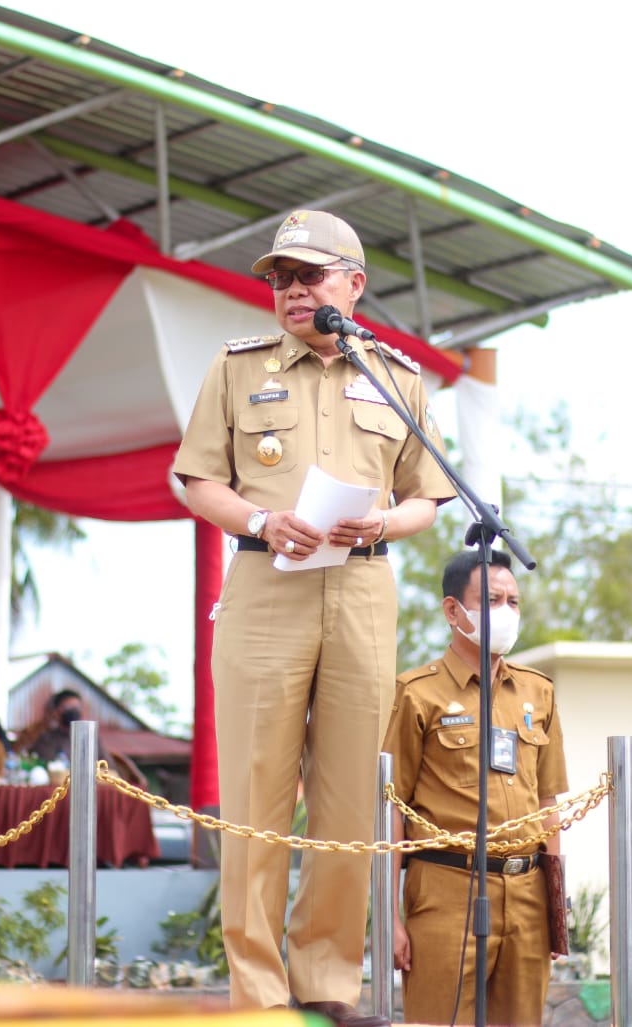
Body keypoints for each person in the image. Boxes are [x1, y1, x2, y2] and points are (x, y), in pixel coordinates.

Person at [172, 209, 452, 1022]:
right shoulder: (236, 368)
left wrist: (386, 523)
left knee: (346, 802)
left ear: (352, 287)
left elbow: (428, 495)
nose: (291, 290)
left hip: (363, 589)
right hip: (268, 585)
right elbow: (197, 480)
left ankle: (326, 985)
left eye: (309, 275)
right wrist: (261, 520)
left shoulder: (398, 377)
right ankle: (258, 997)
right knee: (257, 795)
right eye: (279, 278)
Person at [385, 550, 568, 1027]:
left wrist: (554, 908)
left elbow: (548, 803)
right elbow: (391, 809)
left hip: (526, 891)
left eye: (513, 601)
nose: (505, 611)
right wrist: (386, 917)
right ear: (452, 611)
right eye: (490, 599)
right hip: (446, 890)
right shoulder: (416, 693)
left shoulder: (538, 692)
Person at [16, 688, 144, 788]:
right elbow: (41, 769)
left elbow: (109, 766)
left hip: (91, 788)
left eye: (76, 708)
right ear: (56, 712)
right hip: (59, 792)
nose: (73, 711)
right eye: (68, 708)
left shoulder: (92, 738)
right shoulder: (46, 739)